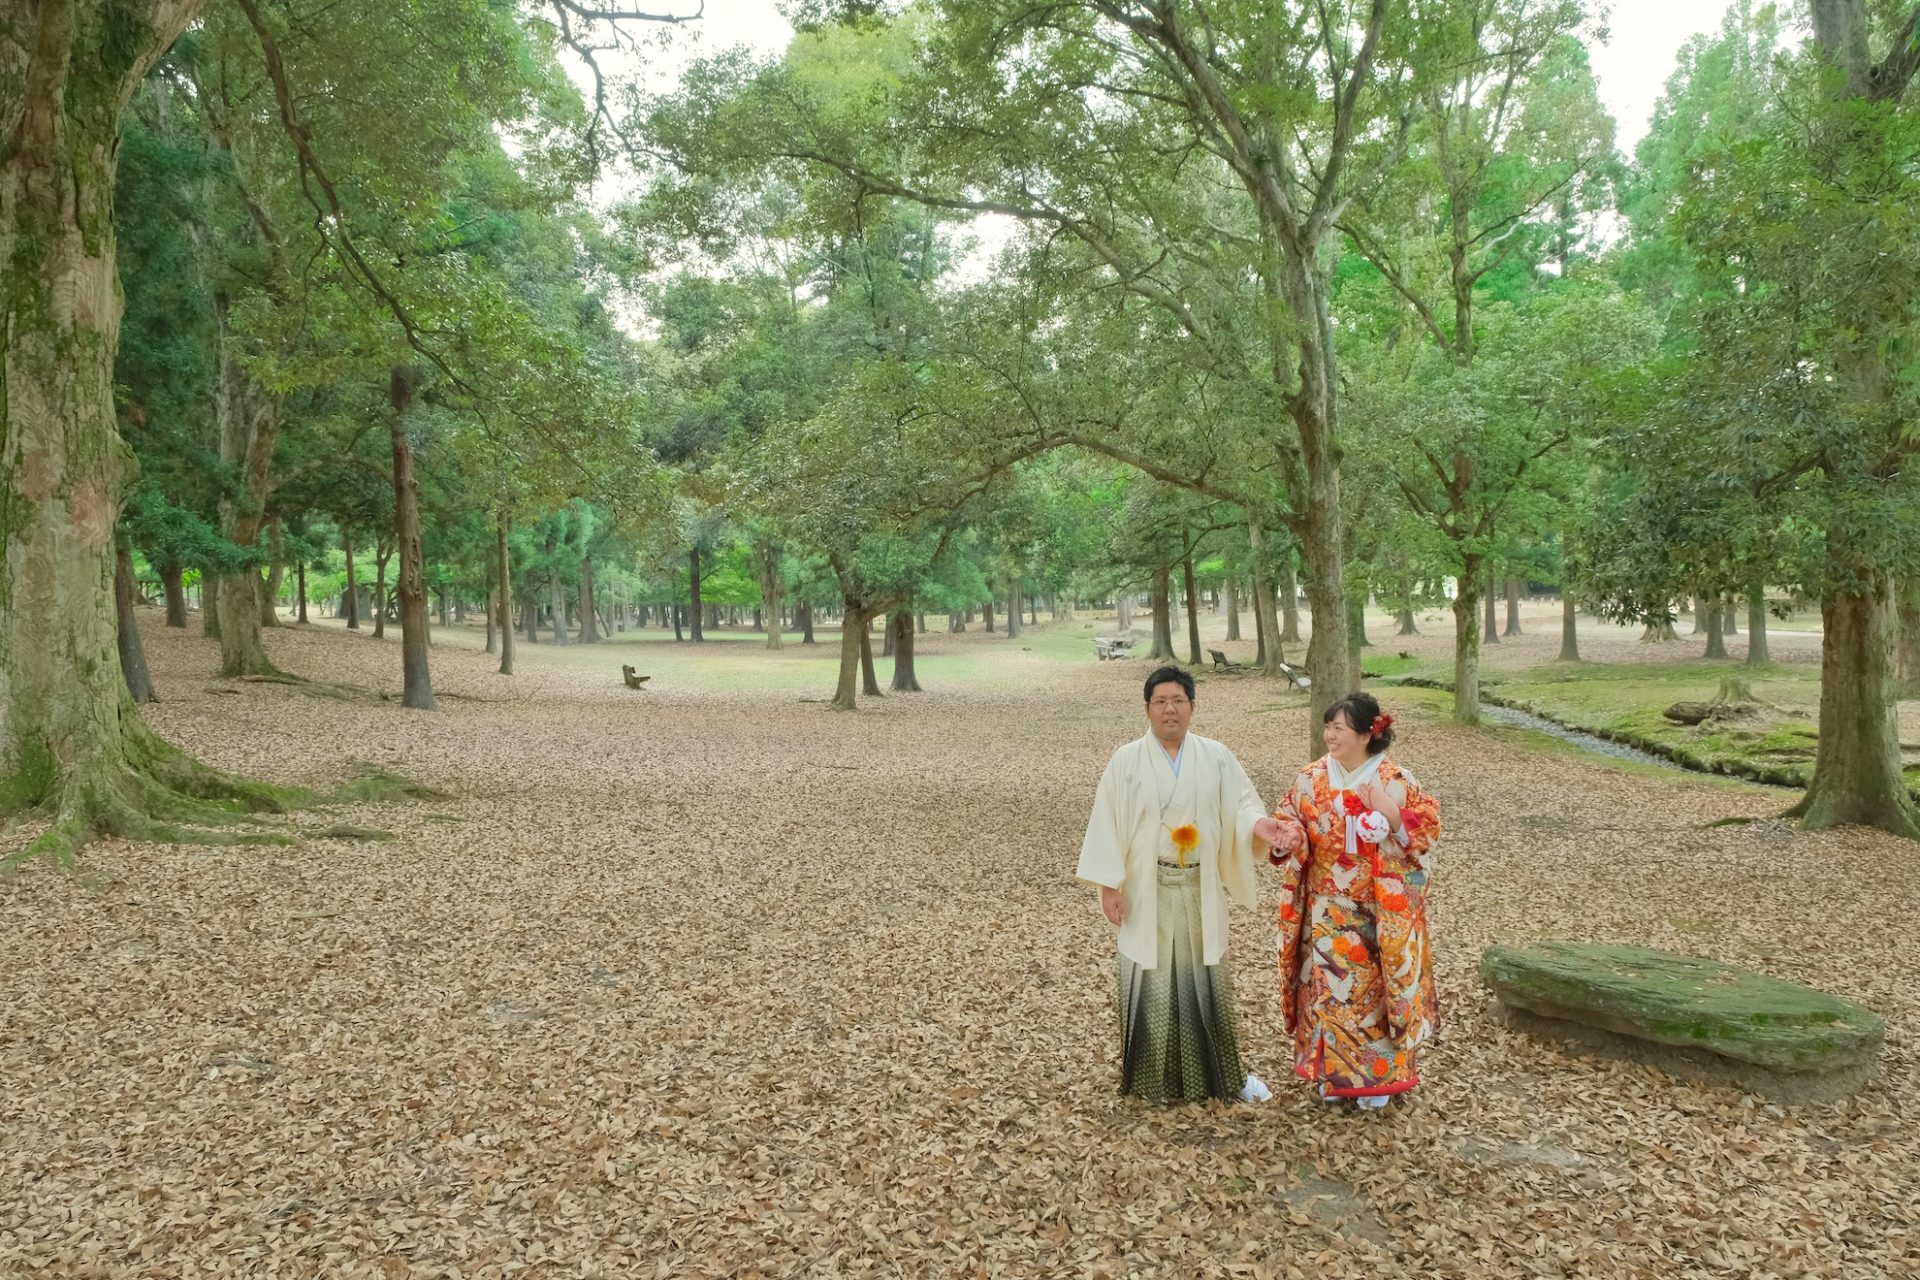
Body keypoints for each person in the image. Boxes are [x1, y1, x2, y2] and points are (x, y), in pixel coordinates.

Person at [1078, 666, 1288, 1102]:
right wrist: (1109, 886)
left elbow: (1243, 805)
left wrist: (1261, 826)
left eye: (1178, 700)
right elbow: (1107, 823)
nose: (1169, 709)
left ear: (1192, 706)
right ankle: (1153, 1080)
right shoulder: (1126, 760)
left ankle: (1222, 1076)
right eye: (1161, 702)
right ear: (1147, 709)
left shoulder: (1216, 756)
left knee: (1204, 980)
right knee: (1150, 980)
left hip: (1198, 886)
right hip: (1146, 886)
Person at [1267, 692, 1441, 1111]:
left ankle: (1375, 1079)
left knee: (1374, 996)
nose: (1330, 735)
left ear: (1368, 733)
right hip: (1324, 908)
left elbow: (1429, 827)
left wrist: (1393, 817)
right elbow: (1287, 818)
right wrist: (1288, 837)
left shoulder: (1396, 781)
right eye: (1328, 727)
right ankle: (1333, 1074)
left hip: (1376, 910)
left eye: (1339, 728)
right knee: (1325, 994)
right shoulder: (1310, 778)